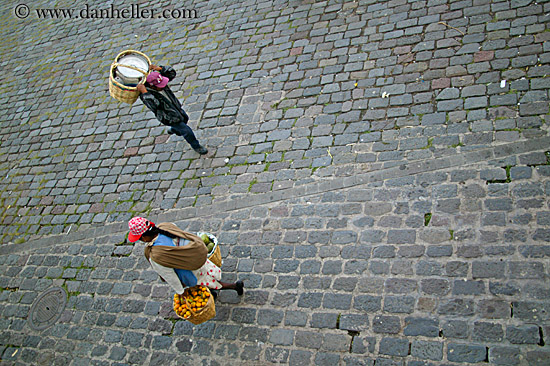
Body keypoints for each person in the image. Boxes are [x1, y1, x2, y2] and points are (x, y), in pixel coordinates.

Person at [127, 216, 243, 298]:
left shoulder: (156, 255)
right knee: (208, 278)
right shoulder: (166, 226)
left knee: (209, 282)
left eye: (140, 238)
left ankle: (235, 286)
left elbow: (169, 276)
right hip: (196, 258)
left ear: (144, 237)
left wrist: (181, 291)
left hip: (190, 270)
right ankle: (212, 291)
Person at [137, 64, 208, 155]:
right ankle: (196, 146)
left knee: (185, 118)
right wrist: (145, 93)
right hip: (169, 116)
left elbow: (171, 73)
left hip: (175, 107)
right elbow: (155, 105)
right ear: (152, 87)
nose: (164, 85)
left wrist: (159, 68)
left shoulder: (160, 84)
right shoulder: (146, 95)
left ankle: (174, 130)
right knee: (186, 131)